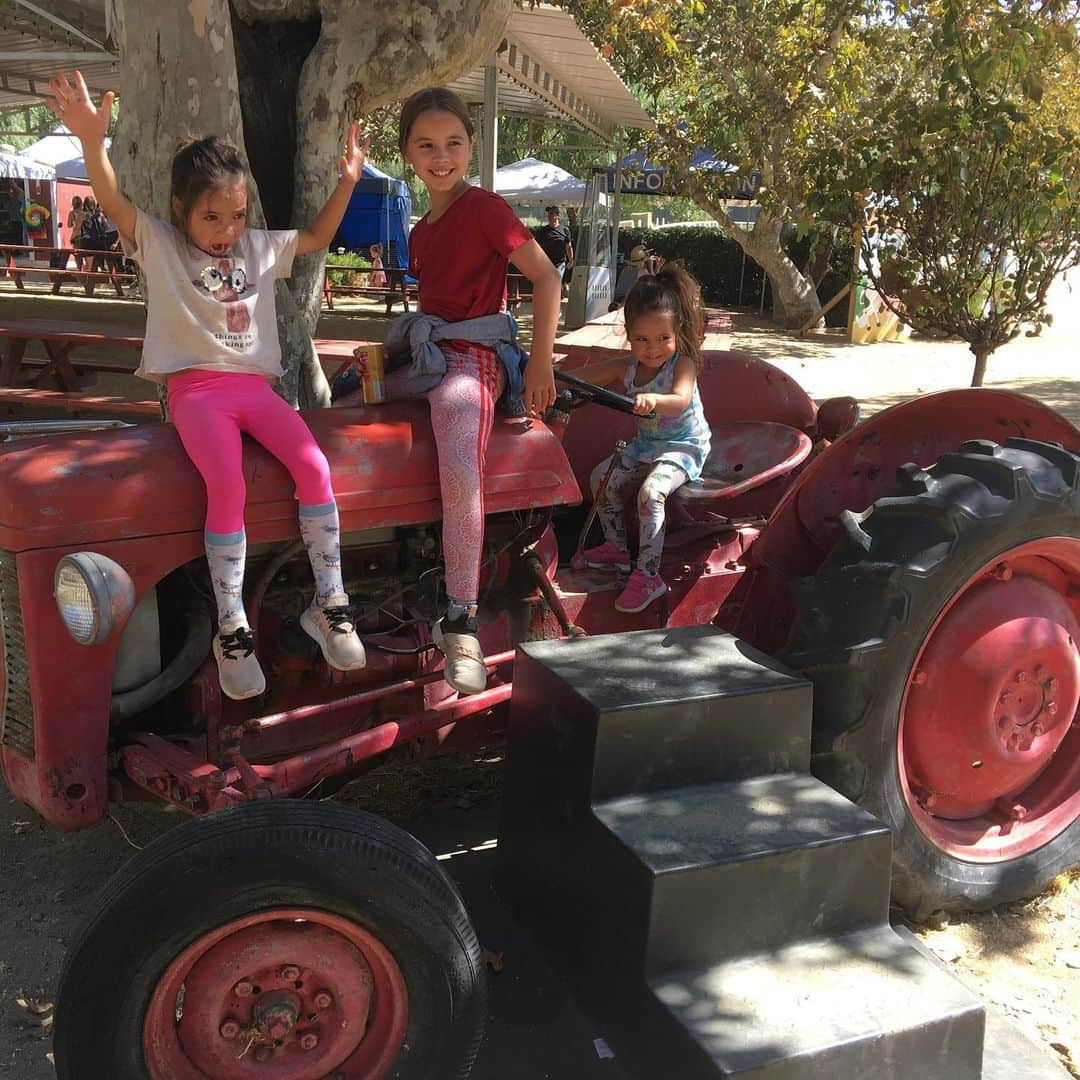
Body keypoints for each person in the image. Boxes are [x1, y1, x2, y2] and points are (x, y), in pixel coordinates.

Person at [49, 68, 369, 701]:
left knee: (315, 466)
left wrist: (348, 181)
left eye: (237, 215)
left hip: (257, 390)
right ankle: (232, 623)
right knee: (225, 481)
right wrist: (93, 143)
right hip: (197, 392)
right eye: (212, 216)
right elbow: (113, 202)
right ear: (180, 212)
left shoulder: (254, 249)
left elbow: (316, 239)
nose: (227, 230)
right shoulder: (163, 244)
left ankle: (330, 601)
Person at [345, 86, 560, 696]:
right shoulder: (421, 231)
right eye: (427, 146)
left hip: (474, 355)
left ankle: (460, 615)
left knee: (459, 436)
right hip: (433, 348)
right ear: (409, 154)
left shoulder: (487, 209)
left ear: (472, 146)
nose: (442, 157)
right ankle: (336, 594)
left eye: (454, 144)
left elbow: (545, 278)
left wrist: (539, 361)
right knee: (342, 409)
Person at [564, 262, 710, 613]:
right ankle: (616, 549)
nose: (653, 348)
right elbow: (580, 377)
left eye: (663, 338)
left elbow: (679, 401)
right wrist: (550, 379)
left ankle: (648, 576)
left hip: (683, 448)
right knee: (601, 478)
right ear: (629, 334)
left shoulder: (683, 364)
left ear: (676, 333)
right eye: (642, 339)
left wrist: (655, 400)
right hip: (647, 446)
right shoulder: (626, 366)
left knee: (650, 493)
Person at [534, 204, 574, 284]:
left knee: (556, 281)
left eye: (552, 213)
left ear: (558, 215)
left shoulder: (565, 230)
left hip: (560, 263)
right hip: (546, 262)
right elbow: (537, 246)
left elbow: (568, 246)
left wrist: (571, 260)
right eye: (549, 214)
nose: (550, 216)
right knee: (548, 283)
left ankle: (556, 295)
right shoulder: (543, 230)